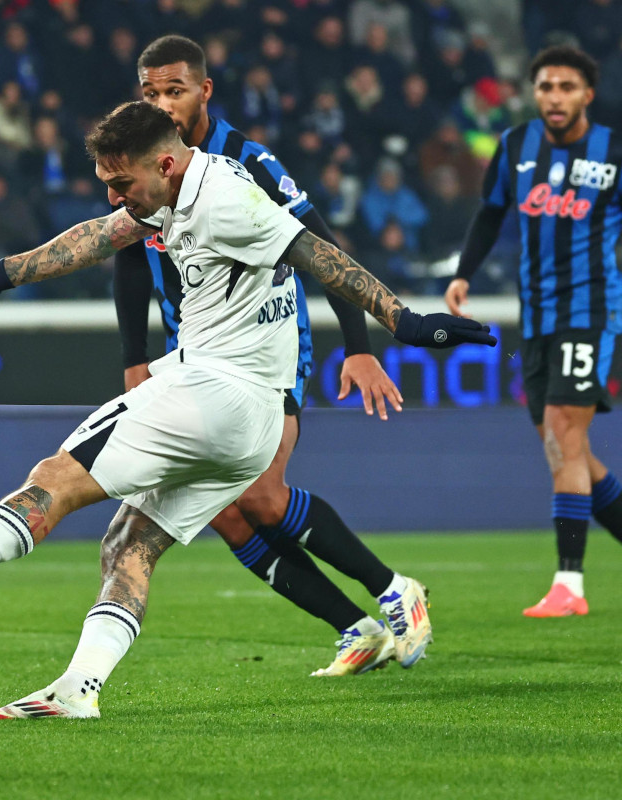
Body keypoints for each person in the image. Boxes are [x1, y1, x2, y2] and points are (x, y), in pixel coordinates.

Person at [0, 100, 496, 719]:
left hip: (209, 392)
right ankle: (78, 689)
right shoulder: (174, 189)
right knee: (130, 544)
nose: (114, 196)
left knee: (54, 479)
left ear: (166, 163)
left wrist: (404, 322)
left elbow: (319, 255)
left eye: (121, 182)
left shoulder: (231, 196)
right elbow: (98, 236)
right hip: (248, 426)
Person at [114, 34, 428, 677]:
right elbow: (127, 266)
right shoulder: (139, 161)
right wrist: (134, 358)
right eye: (150, 92)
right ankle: (357, 631)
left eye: (174, 90)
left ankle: (397, 589)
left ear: (204, 91)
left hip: (268, 348)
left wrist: (359, 348)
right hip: (191, 356)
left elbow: (321, 248)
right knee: (225, 513)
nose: (162, 104)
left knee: (259, 495)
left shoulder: (250, 161)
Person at [446, 45, 622, 618]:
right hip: (538, 316)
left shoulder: (613, 153)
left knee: (566, 431)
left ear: (587, 95)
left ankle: (569, 583)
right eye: (545, 86)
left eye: (566, 87)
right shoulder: (515, 145)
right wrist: (463, 274)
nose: (554, 97)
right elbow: (492, 212)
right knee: (563, 446)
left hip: (590, 311)